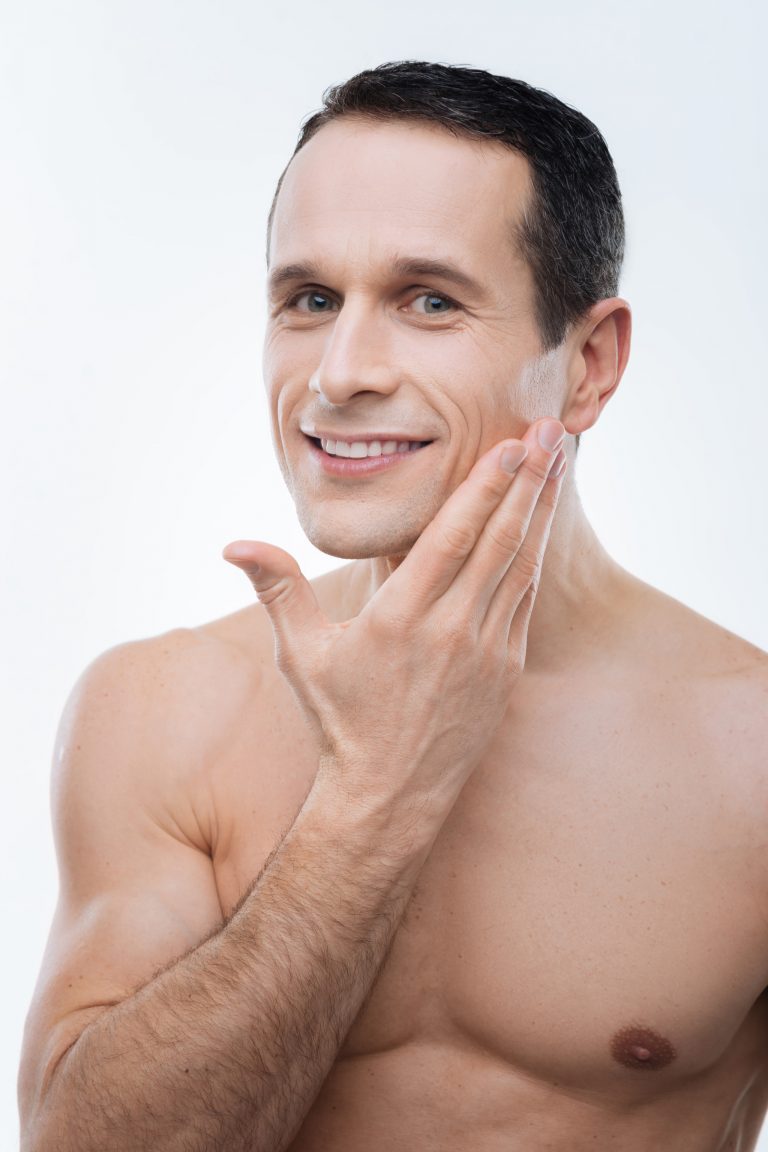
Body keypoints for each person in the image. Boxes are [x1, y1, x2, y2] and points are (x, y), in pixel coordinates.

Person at [18, 60, 768, 1152]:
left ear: (590, 365)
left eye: (430, 301)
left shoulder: (751, 750)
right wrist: (371, 797)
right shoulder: (160, 708)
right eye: (311, 300)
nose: (340, 374)